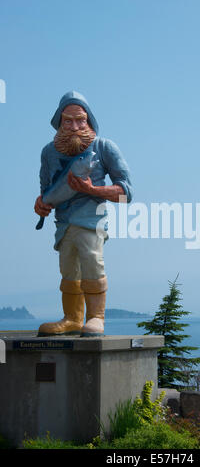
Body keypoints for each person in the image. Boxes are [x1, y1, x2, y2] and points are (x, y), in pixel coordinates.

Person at [34, 91, 132, 337]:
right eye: (68, 121)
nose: (75, 127)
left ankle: (96, 317)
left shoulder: (104, 148)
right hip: (63, 224)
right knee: (68, 269)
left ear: (89, 120)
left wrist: (92, 189)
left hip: (92, 222)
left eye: (81, 120)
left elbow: (126, 193)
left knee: (92, 263)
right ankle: (72, 318)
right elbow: (45, 190)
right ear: (59, 121)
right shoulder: (48, 152)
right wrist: (41, 204)